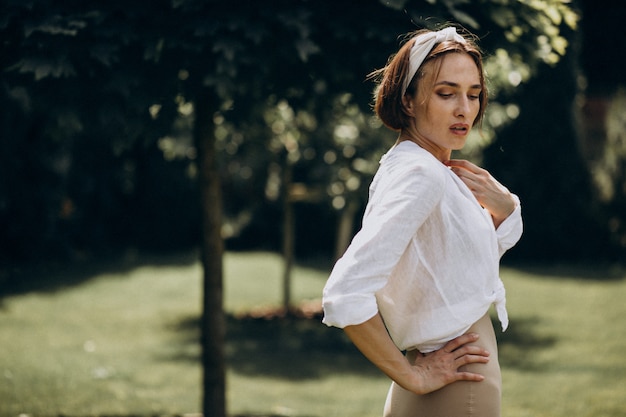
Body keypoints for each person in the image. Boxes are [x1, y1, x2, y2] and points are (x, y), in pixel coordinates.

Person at [321, 25, 523, 417]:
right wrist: (412, 376)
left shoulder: (420, 166)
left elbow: (451, 260)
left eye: (474, 94)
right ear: (409, 101)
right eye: (446, 93)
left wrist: (505, 208)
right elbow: (346, 292)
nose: (465, 109)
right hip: (457, 373)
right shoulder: (422, 174)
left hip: (446, 367)